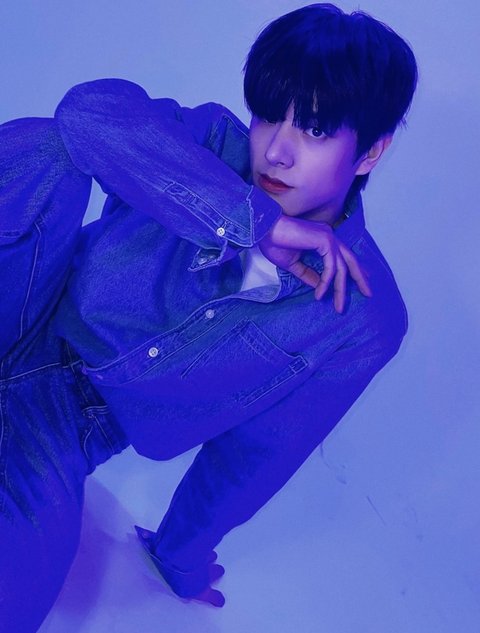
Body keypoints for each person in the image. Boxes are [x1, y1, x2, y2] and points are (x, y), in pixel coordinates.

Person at [0, 3, 417, 629]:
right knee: (47, 146)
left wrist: (181, 553)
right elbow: (87, 114)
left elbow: (257, 453)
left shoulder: (360, 318)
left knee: (14, 598)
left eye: (315, 130)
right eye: (269, 115)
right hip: (23, 303)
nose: (276, 151)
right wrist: (248, 221)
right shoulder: (213, 145)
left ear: (370, 153)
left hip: (62, 427)